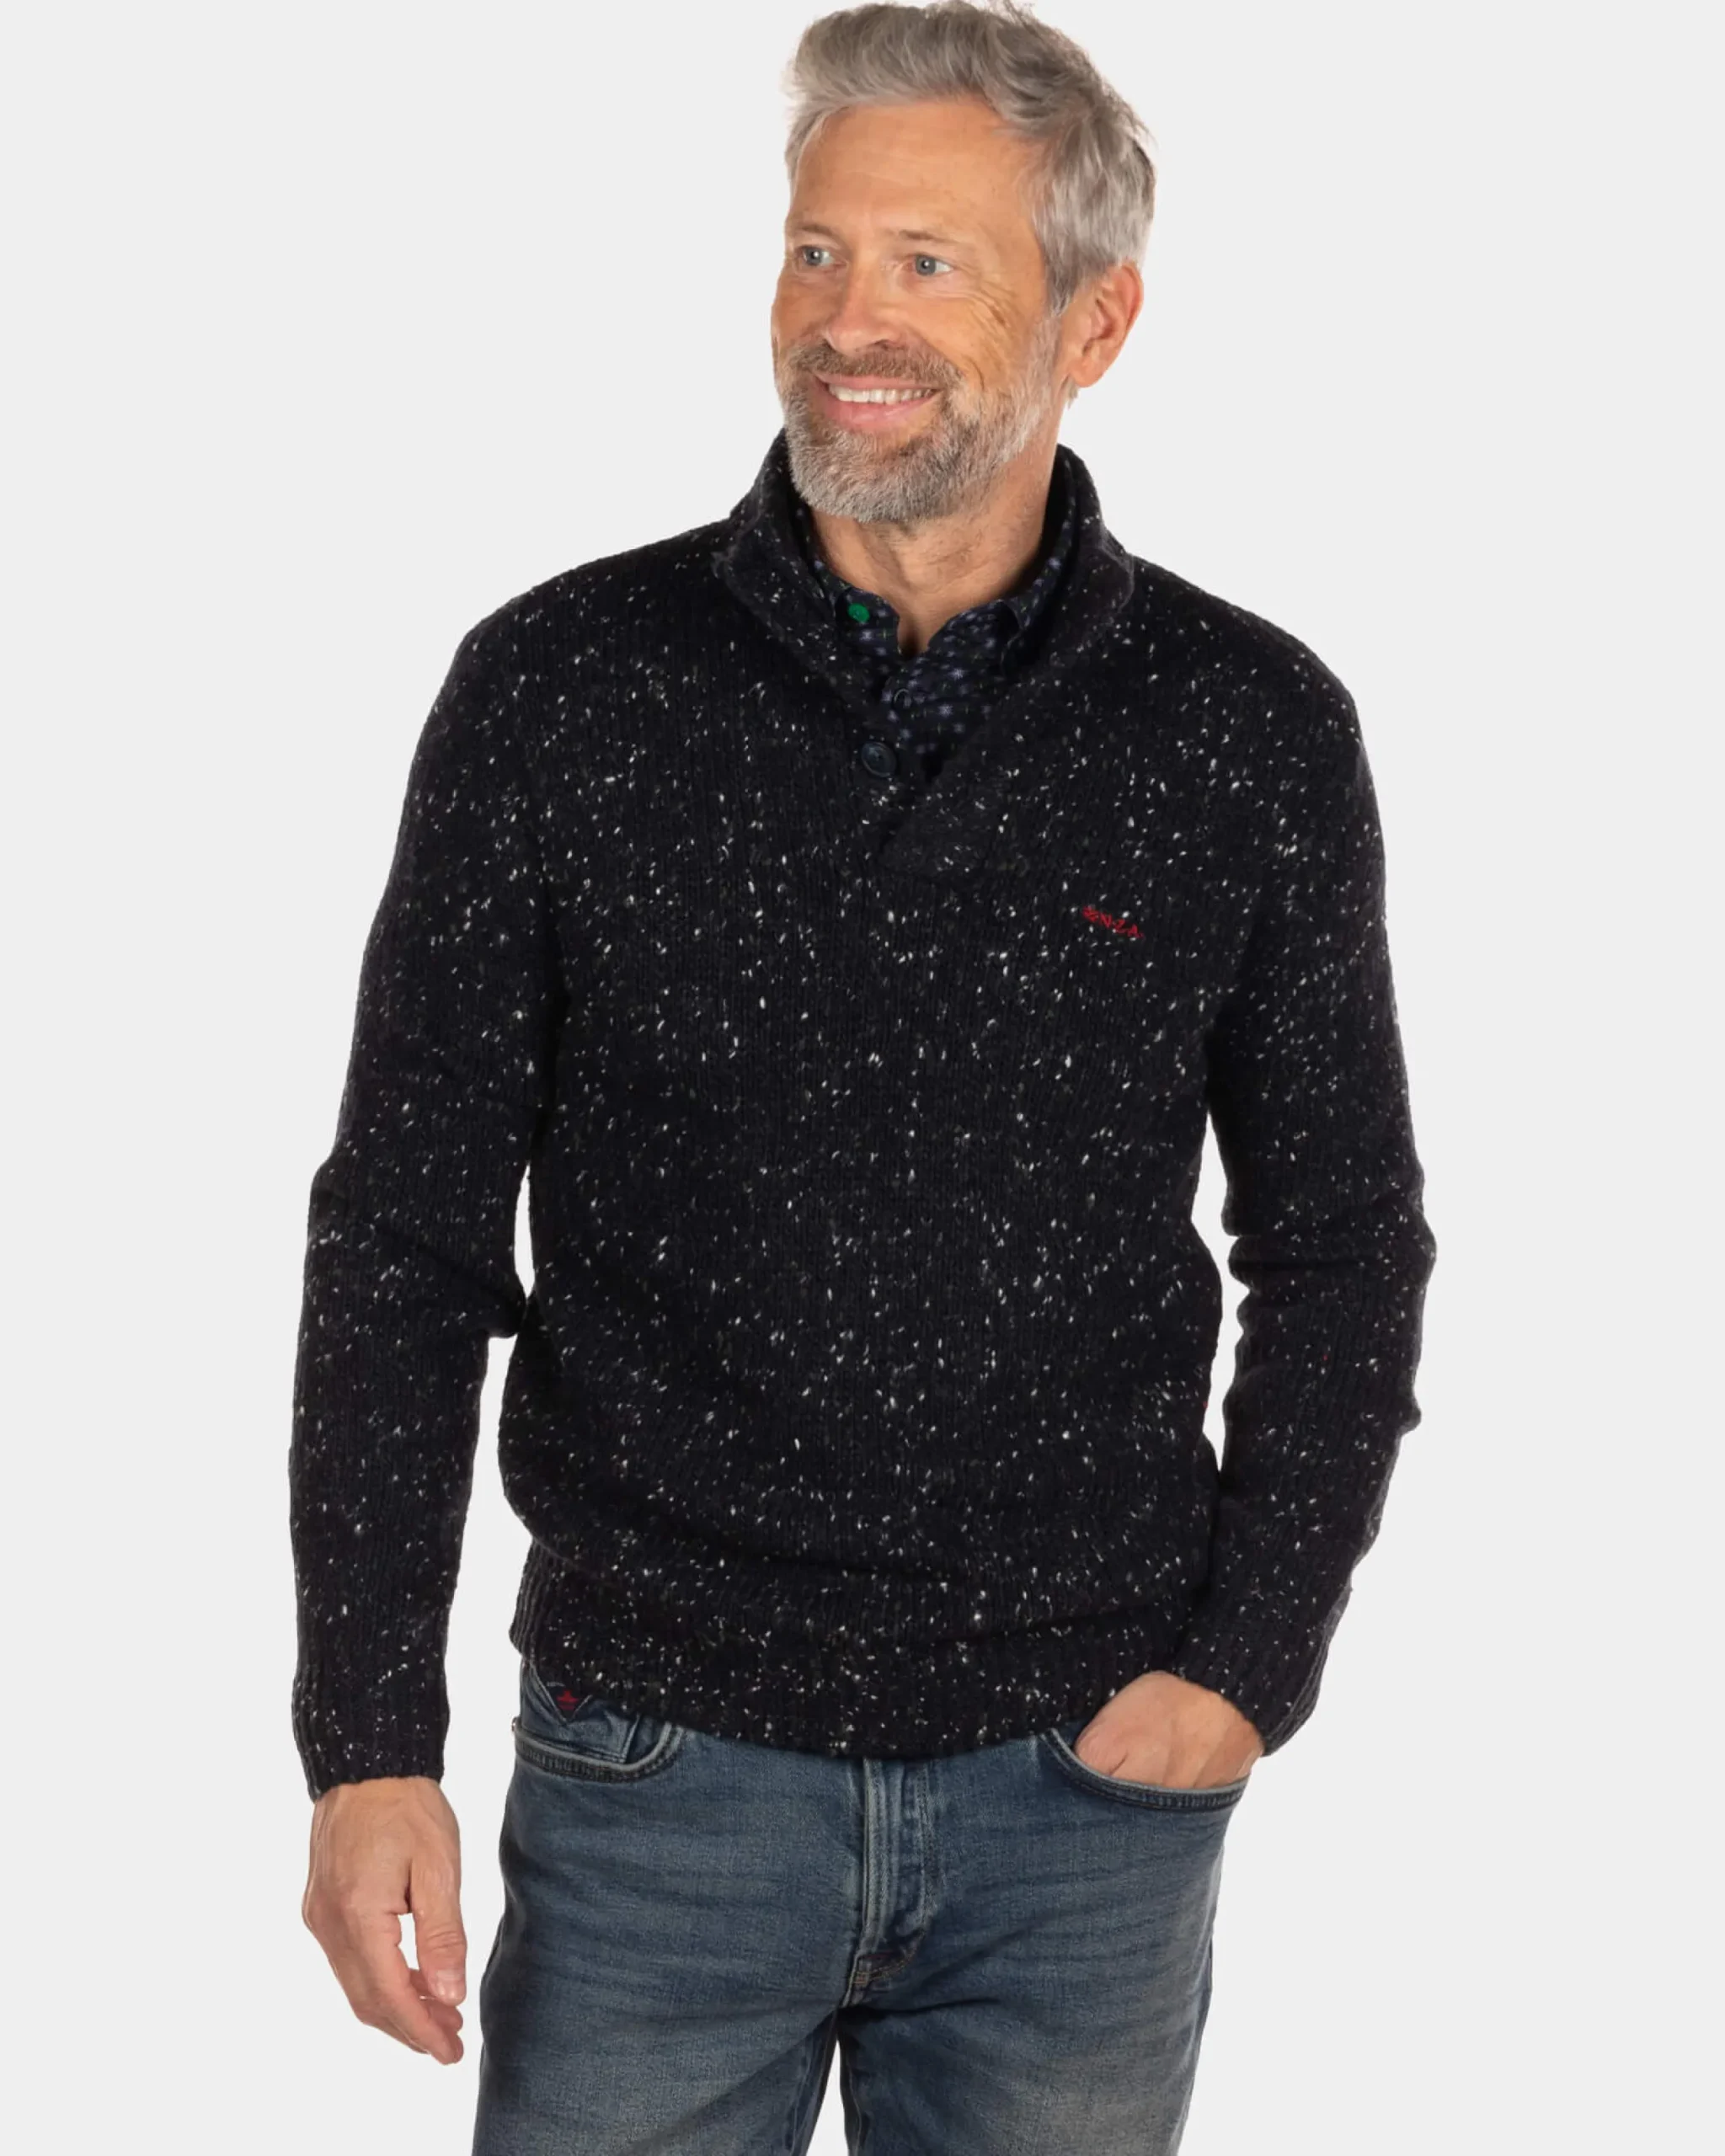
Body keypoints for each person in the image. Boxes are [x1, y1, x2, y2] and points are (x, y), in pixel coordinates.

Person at [291, 4, 1436, 2149]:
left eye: (926, 263)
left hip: (1082, 1792)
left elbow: (1343, 1240)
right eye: (816, 251)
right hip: (652, 1768)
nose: (846, 321)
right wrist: (365, 1738)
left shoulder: (1245, 727)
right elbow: (405, 1240)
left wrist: (1245, 1668)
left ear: (1095, 322)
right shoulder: (561, 689)